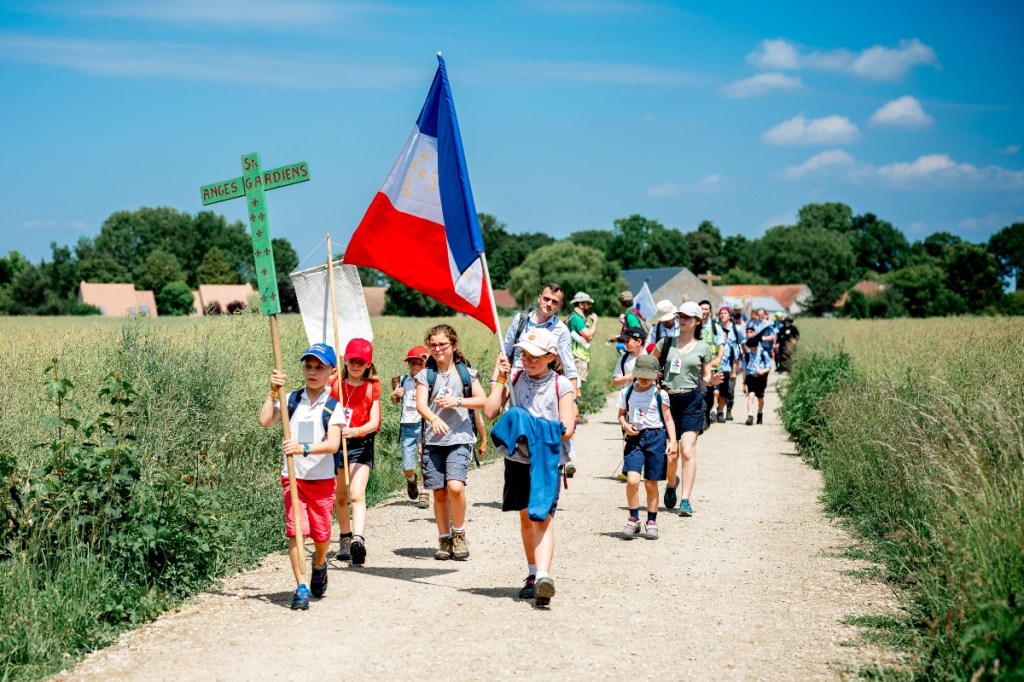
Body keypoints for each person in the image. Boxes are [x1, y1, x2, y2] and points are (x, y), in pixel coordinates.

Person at [485, 327, 576, 607]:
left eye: (535, 356)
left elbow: (568, 429)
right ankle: (532, 573)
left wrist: (527, 425)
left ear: (551, 356)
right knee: (525, 517)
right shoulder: (513, 378)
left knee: (542, 517)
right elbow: (490, 412)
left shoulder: (562, 385)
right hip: (517, 460)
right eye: (524, 354)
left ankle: (544, 578)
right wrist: (500, 379)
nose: (527, 360)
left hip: (547, 460)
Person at [259, 344, 343, 610]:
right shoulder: (291, 399)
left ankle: (320, 563)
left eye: (319, 367)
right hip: (293, 478)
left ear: (331, 372)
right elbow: (264, 421)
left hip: (322, 480)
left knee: (321, 536)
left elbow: (332, 445)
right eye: (308, 366)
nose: (312, 371)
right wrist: (272, 392)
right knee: (296, 532)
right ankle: (301, 586)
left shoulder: (332, 407)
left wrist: (303, 447)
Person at [416, 324, 487, 561]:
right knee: (439, 492)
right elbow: (421, 405)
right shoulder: (425, 375)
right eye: (433, 345)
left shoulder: (467, 373)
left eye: (442, 344)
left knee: (455, 487)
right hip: (433, 441)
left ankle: (459, 533)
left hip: (459, 438)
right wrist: (433, 418)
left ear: (454, 346)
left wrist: (457, 401)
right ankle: (443, 538)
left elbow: (481, 401)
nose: (438, 349)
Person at [652, 301, 722, 516]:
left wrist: (713, 381)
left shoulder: (703, 348)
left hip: (692, 400)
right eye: (679, 316)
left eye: (686, 317)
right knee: (671, 454)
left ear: (697, 321)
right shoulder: (665, 343)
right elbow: (650, 365)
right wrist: (654, 383)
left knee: (687, 450)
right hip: (667, 401)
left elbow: (706, 377)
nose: (681, 320)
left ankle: (685, 500)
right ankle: (672, 484)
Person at [329, 338, 382, 566]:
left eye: (361, 361)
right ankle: (344, 537)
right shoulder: (335, 385)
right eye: (352, 360)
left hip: (361, 443)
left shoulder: (372, 388)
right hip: (336, 444)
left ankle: (358, 540)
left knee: (356, 494)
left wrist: (355, 431)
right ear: (346, 361)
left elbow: (375, 422)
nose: (356, 365)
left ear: (368, 364)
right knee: (341, 496)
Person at [616, 354, 676, 539]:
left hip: (656, 437)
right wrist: (625, 425)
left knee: (651, 482)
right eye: (640, 374)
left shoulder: (661, 395)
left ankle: (652, 521)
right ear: (634, 372)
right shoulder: (626, 393)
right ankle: (633, 519)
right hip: (635, 438)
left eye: (648, 375)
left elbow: (667, 419)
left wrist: (672, 441)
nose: (643, 378)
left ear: (657, 375)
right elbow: (621, 415)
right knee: (632, 480)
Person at [391, 345, 430, 508]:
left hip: (423, 424)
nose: (416, 366)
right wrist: (393, 395)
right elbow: (395, 402)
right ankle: (411, 481)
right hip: (407, 426)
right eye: (413, 363)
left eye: (420, 363)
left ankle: (424, 493)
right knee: (407, 466)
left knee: (423, 460)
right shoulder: (401, 380)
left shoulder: (430, 380)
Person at [565, 291, 598, 403]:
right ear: (581, 304)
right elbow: (588, 336)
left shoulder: (573, 317)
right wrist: (595, 323)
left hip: (576, 354)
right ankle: (573, 413)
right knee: (575, 389)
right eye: (588, 303)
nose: (590, 306)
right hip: (578, 355)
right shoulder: (577, 319)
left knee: (574, 386)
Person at [698, 300, 726, 430]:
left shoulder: (716, 327)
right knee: (701, 392)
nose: (704, 311)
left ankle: (708, 413)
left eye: (706, 309)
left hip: (712, 366)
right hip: (697, 366)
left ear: (710, 311)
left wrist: (719, 358)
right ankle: (702, 418)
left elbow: (721, 344)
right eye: (701, 309)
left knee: (710, 393)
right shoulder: (694, 326)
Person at [714, 306, 743, 422]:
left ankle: (729, 411)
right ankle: (717, 410)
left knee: (729, 390)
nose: (722, 315)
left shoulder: (736, 329)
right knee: (717, 390)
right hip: (718, 363)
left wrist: (736, 368)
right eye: (721, 313)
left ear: (730, 315)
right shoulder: (715, 328)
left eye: (725, 313)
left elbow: (742, 344)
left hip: (731, 364)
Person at [742, 328, 772, 425]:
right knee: (751, 395)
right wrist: (743, 383)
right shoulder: (746, 356)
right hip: (751, 377)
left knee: (760, 399)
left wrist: (762, 371)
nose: (753, 350)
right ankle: (750, 415)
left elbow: (769, 367)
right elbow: (744, 370)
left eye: (755, 348)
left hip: (761, 378)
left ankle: (760, 413)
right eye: (751, 348)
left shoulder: (764, 354)